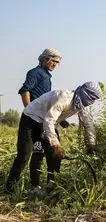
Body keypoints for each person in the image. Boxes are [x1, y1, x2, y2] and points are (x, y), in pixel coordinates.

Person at [5, 81, 101, 194]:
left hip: (46, 122)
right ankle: (9, 189)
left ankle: (52, 191)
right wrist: (55, 144)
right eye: (91, 98)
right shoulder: (64, 97)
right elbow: (49, 120)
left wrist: (91, 144)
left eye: (94, 99)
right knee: (24, 155)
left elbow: (88, 124)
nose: (91, 102)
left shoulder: (82, 105)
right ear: (85, 93)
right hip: (31, 118)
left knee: (55, 157)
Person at [17, 48, 69, 195]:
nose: (55, 64)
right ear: (45, 59)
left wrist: (61, 120)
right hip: (35, 120)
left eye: (57, 62)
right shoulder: (35, 73)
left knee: (51, 153)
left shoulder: (47, 76)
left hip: (44, 119)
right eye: (53, 61)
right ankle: (34, 187)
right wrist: (29, 109)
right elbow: (25, 90)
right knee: (37, 153)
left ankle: (51, 187)